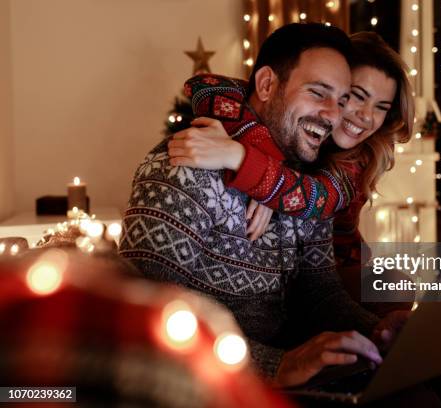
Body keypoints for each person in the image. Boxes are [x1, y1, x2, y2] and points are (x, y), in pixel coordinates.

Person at [119, 23, 409, 389]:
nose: (335, 115)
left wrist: (377, 333)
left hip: (286, 360)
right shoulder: (184, 165)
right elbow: (147, 316)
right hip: (215, 383)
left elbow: (319, 289)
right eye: (318, 92)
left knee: (435, 375)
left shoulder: (304, 174)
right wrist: (277, 365)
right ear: (268, 84)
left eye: (341, 99)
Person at [168, 32, 414, 308]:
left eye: (381, 107)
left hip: (337, 266)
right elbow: (204, 85)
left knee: (396, 287)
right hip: (284, 269)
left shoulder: (358, 160)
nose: (367, 116)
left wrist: (243, 159)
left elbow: (315, 198)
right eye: (356, 97)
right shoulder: (293, 126)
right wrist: (266, 155)